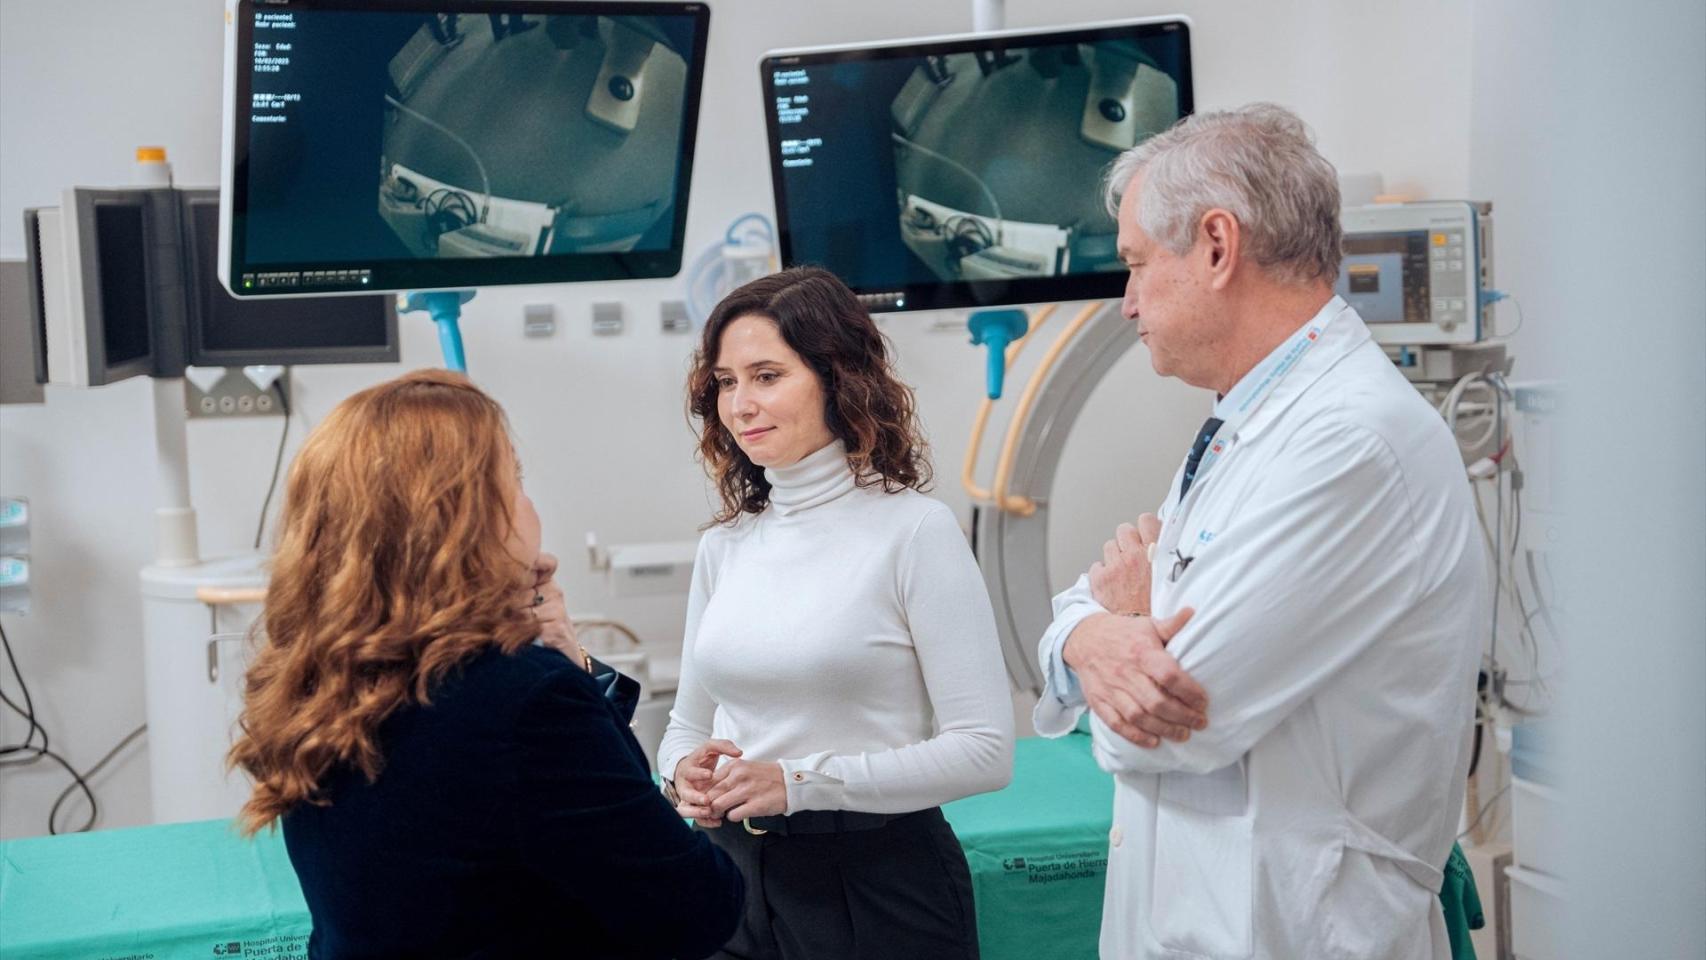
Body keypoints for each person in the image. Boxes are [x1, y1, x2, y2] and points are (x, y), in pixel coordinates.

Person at [1033, 104, 1485, 959]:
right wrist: (1093, 635)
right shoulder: (1247, 422)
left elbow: (1168, 727)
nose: (1127, 303)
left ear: (1216, 246)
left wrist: (1114, 623)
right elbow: (1079, 637)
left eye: (1135, 264)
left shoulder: (1352, 442)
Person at [229, 369, 743, 960]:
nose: (529, 505)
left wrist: (560, 653)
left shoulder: (320, 674)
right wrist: (566, 670)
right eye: (515, 481)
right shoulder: (525, 700)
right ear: (465, 517)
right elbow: (694, 908)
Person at [658, 267, 1014, 960]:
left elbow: (984, 751)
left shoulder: (915, 531)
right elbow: (686, 726)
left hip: (876, 879)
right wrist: (683, 774)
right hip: (732, 874)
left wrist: (797, 783)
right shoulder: (726, 545)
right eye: (726, 382)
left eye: (766, 376)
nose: (740, 404)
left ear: (837, 379)